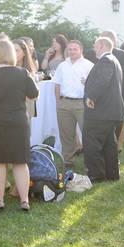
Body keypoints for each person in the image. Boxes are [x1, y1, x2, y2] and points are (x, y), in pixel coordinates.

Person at [0, 38, 39, 211]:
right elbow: (34, 93)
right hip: (18, 120)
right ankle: (24, 200)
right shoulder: (22, 73)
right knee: (20, 162)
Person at [83, 37, 124, 182]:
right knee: (109, 145)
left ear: (101, 46)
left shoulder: (106, 60)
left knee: (92, 143)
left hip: (100, 111)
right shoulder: (114, 60)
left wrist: (91, 97)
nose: (94, 49)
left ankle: (96, 175)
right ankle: (112, 174)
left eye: (95, 46)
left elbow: (103, 81)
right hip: (109, 111)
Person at [53, 40, 93, 169]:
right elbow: (57, 84)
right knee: (66, 134)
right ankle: (68, 161)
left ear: (81, 50)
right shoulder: (62, 66)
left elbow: (93, 85)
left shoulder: (89, 65)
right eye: (70, 49)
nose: (72, 51)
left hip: (82, 103)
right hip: (64, 103)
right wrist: (59, 102)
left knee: (87, 133)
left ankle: (90, 161)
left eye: (75, 49)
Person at [100, 31, 124, 151]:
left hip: (117, 99)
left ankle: (115, 149)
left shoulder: (122, 55)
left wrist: (123, 99)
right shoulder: (94, 54)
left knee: (116, 128)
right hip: (100, 100)